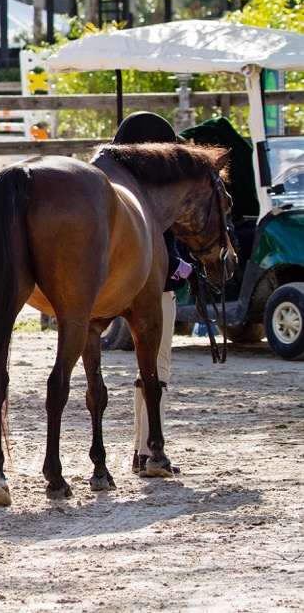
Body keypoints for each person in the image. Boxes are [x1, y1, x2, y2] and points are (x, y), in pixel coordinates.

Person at [112, 111, 190, 477]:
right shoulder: (159, 196)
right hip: (155, 289)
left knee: (147, 371)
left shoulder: (120, 190)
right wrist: (182, 267)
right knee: (156, 368)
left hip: (115, 286)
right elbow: (167, 247)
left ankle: (140, 447)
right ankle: (147, 450)